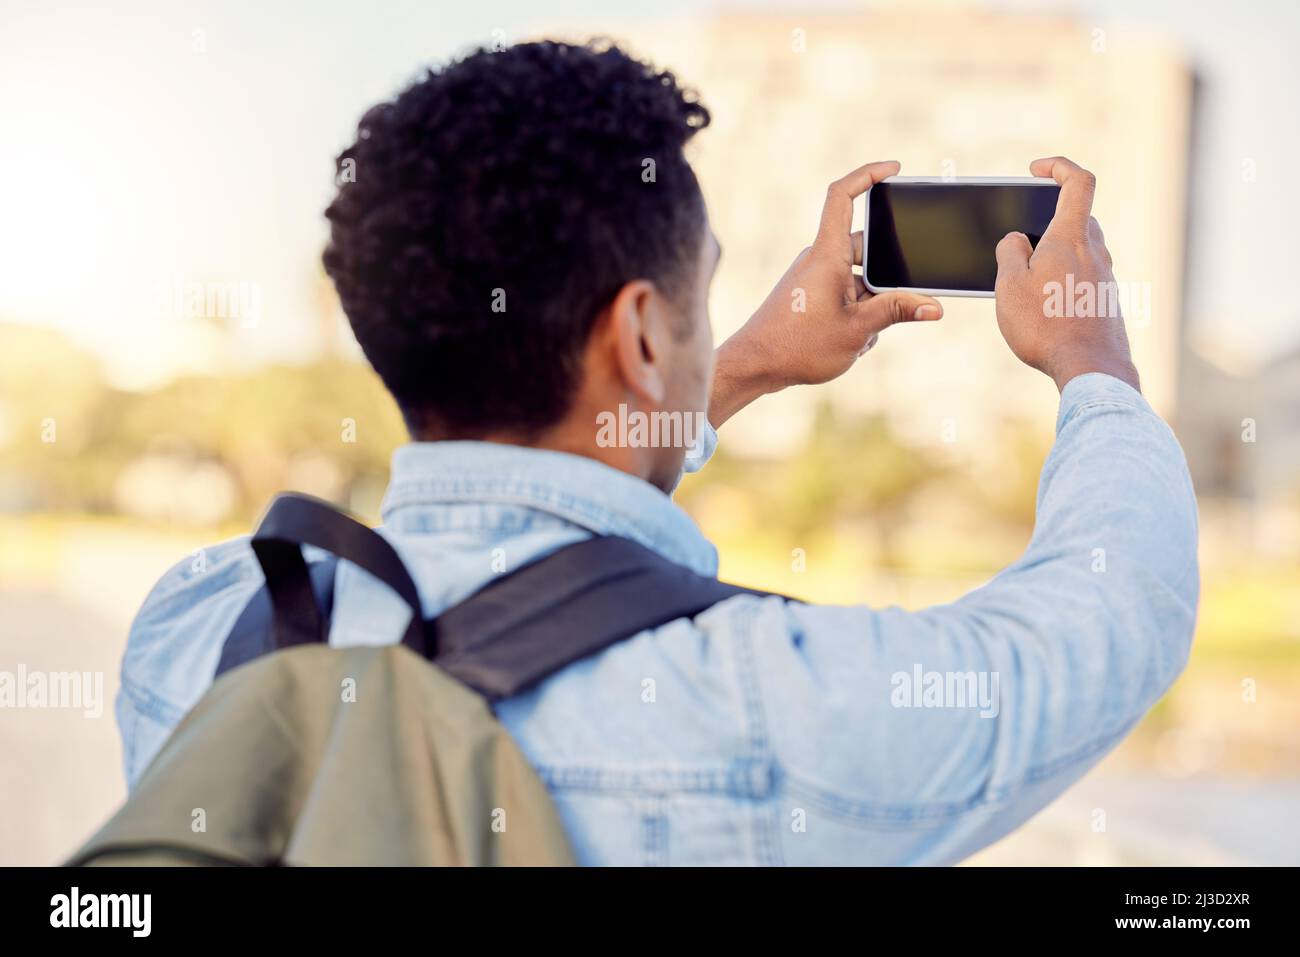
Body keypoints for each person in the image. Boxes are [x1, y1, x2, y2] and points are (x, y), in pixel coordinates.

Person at [116, 39, 1198, 865]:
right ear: (637, 334)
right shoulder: (760, 695)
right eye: (702, 289)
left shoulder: (201, 624)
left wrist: (737, 364)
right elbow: (1093, 634)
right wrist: (1092, 363)